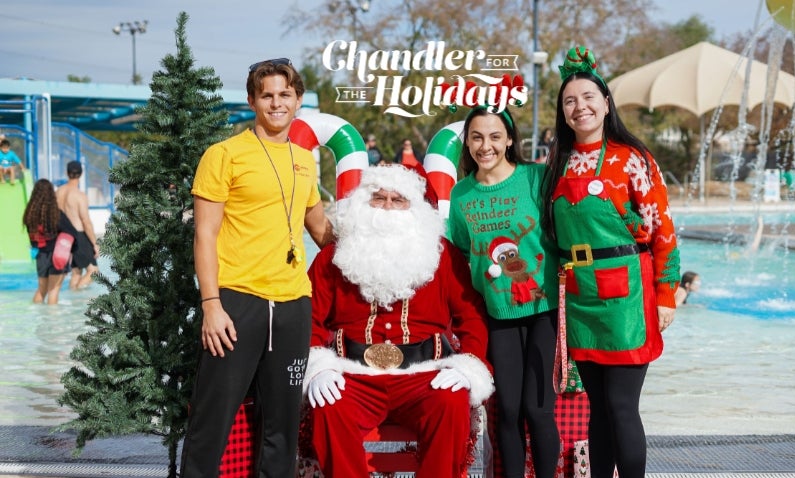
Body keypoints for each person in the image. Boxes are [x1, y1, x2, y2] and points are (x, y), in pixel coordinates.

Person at [180, 57, 334, 478]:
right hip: (236, 302)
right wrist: (211, 305)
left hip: (292, 305)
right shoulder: (224, 154)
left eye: (285, 94)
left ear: (298, 100)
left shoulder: (304, 159)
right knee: (213, 420)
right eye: (267, 95)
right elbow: (205, 235)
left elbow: (321, 230)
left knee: (282, 426)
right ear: (252, 100)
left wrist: (381, 233)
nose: (276, 103)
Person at [540, 46, 681, 478]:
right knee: (595, 411)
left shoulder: (633, 159)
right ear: (563, 113)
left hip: (628, 297)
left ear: (605, 103)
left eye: (587, 97)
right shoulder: (557, 163)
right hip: (581, 296)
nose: (579, 106)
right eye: (569, 101)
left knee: (621, 407)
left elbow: (664, 230)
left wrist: (666, 294)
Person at [303, 164, 494, 478]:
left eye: (398, 200)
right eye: (379, 198)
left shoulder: (442, 255)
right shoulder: (332, 258)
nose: (388, 208)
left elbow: (471, 315)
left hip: (425, 376)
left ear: (416, 209)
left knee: (450, 402)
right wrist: (319, 366)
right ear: (362, 204)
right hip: (353, 376)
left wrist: (468, 364)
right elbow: (308, 318)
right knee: (329, 405)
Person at [446, 106, 561, 478]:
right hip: (497, 315)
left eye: (495, 136)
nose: (486, 146)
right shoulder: (462, 194)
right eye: (477, 137)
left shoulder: (536, 178)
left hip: (543, 310)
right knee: (508, 410)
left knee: (537, 410)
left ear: (509, 139)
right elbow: (462, 255)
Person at [23, 179, 77, 305]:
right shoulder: (55, 214)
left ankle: (37, 317)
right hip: (57, 255)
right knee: (54, 291)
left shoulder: (30, 215)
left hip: (40, 256)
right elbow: (72, 232)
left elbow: (32, 239)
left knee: (42, 290)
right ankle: (52, 323)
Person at [56, 160, 99, 290]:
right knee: (94, 272)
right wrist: (94, 243)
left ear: (66, 173)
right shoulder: (80, 196)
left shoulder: (58, 192)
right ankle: (78, 292)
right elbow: (85, 221)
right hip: (79, 236)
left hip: (64, 235)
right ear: (81, 174)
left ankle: (74, 302)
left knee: (76, 272)